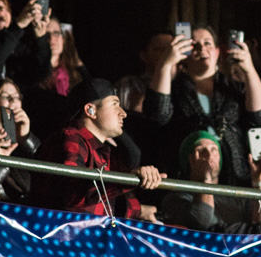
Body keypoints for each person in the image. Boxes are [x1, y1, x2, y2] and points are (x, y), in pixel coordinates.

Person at [145, 24, 261, 187]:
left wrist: (248, 69)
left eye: (207, 43)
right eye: (194, 45)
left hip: (234, 177)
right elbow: (156, 115)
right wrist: (165, 64)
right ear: (184, 53)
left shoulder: (234, 88)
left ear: (218, 52)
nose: (202, 48)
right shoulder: (174, 88)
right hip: (186, 177)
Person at [31, 78, 164, 221]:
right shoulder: (70, 136)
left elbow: (103, 201)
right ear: (90, 110)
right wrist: (130, 178)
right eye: (114, 105)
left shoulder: (103, 151)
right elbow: (74, 194)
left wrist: (140, 210)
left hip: (82, 236)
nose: (123, 113)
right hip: (62, 236)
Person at [159, 131, 261, 233]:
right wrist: (206, 179)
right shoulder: (176, 198)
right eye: (201, 150)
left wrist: (259, 181)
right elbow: (202, 224)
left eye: (214, 149)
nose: (209, 155)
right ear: (189, 159)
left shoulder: (236, 196)